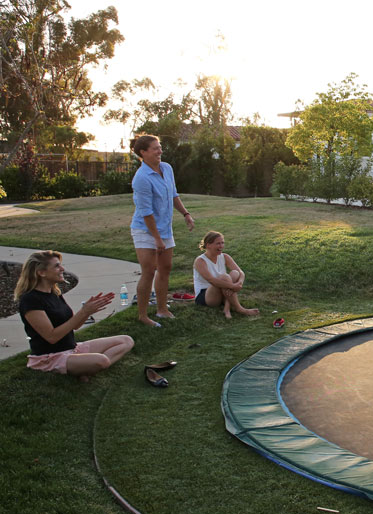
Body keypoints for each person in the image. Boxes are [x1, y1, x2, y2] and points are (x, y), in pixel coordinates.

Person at [15, 251, 136, 384]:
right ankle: (86, 368)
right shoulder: (30, 300)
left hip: (73, 349)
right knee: (102, 360)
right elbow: (51, 337)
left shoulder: (54, 292)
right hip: (50, 357)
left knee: (126, 340)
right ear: (41, 272)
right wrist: (83, 312)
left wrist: (88, 311)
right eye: (56, 266)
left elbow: (75, 325)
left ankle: (85, 369)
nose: (62, 269)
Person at [130, 134, 194, 327]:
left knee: (165, 268)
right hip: (145, 230)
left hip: (164, 229)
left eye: (160, 147)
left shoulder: (167, 168)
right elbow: (146, 212)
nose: (160, 151)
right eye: (155, 148)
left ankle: (162, 309)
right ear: (143, 152)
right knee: (149, 271)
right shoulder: (141, 178)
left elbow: (173, 195)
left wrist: (185, 214)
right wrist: (157, 239)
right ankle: (143, 315)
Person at [193, 231, 259, 319]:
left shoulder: (225, 256)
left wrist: (239, 283)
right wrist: (232, 286)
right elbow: (212, 280)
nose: (221, 246)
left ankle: (227, 307)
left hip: (223, 291)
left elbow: (241, 272)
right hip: (206, 296)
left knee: (235, 273)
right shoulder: (200, 261)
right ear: (208, 245)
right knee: (225, 277)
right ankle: (240, 309)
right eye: (218, 243)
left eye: (222, 243)